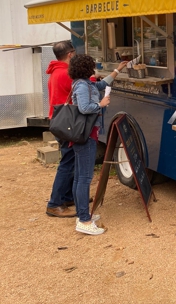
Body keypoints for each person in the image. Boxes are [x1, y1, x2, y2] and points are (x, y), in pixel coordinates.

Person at [68, 54, 127, 235]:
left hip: (83, 135)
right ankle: (84, 221)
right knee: (84, 178)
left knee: (79, 177)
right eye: (92, 66)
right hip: (85, 136)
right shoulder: (82, 86)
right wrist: (100, 104)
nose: (94, 68)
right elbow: (84, 108)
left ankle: (82, 214)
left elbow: (102, 85)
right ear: (86, 68)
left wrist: (118, 70)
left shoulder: (85, 83)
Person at [45, 41, 77, 218]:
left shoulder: (55, 71)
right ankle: (54, 204)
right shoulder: (65, 73)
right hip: (66, 123)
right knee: (67, 162)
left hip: (58, 120)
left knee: (70, 160)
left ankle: (67, 196)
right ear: (70, 54)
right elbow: (82, 87)